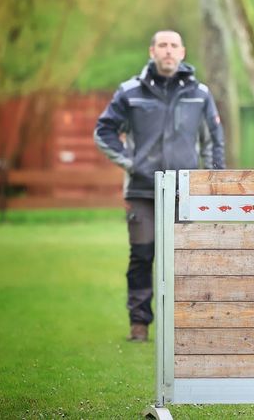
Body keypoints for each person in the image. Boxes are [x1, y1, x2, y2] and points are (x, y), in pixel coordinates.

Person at [94, 30, 225, 342]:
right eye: (162, 45)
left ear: (182, 52)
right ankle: (138, 324)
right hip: (142, 192)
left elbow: (213, 142)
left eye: (173, 46)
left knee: (188, 258)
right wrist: (131, 162)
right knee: (142, 256)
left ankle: (187, 323)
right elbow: (104, 131)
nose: (168, 51)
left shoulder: (200, 93)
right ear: (152, 51)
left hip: (185, 192)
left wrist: (214, 183)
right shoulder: (129, 92)